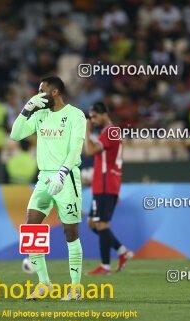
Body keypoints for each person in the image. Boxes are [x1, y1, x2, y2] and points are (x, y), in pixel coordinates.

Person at [10, 76, 86, 301]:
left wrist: (62, 174)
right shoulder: (40, 115)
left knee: (70, 233)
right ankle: (45, 284)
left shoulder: (76, 115)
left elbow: (75, 149)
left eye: (42, 90)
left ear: (54, 92)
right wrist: (27, 109)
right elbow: (15, 135)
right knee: (31, 229)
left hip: (67, 177)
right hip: (44, 178)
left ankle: (75, 288)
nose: (38, 94)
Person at [83, 102, 133, 275]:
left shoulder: (110, 131)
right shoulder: (109, 133)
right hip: (102, 184)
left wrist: (86, 131)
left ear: (104, 114)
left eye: (95, 116)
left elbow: (89, 151)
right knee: (92, 223)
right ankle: (121, 251)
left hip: (106, 184)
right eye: (90, 118)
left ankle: (105, 266)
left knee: (102, 224)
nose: (93, 120)